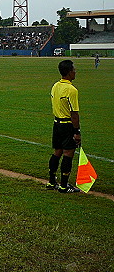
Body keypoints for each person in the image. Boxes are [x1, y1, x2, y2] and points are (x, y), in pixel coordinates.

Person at [47, 60, 81, 193]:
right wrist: (77, 131)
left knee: (57, 152)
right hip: (67, 125)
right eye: (74, 69)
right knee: (68, 153)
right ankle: (64, 186)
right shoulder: (72, 90)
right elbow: (74, 114)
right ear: (69, 72)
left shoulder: (55, 86)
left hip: (56, 123)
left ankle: (51, 182)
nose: (75, 71)